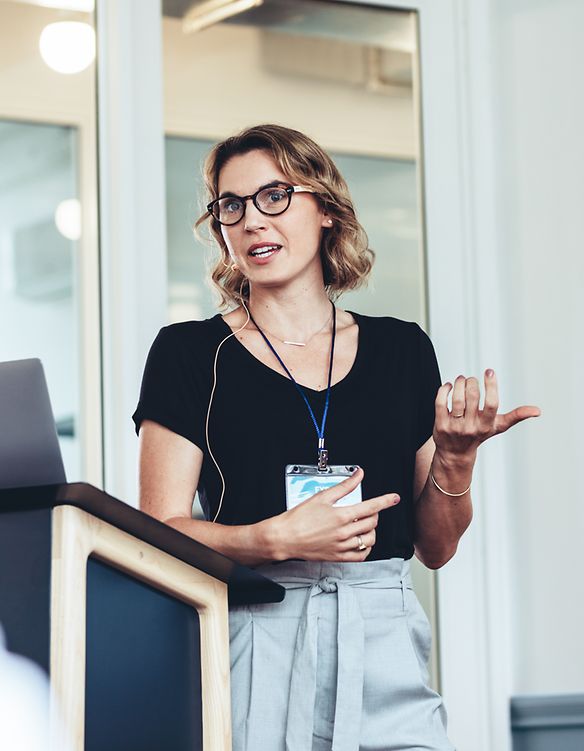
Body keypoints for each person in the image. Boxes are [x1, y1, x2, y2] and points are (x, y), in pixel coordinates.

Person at [132, 123, 541, 751]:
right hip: (255, 636)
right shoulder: (188, 353)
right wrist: (270, 539)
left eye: (274, 196)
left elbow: (435, 548)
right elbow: (157, 534)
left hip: (384, 635)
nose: (251, 221)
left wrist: (456, 459)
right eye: (230, 206)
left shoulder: (402, 348)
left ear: (325, 208)